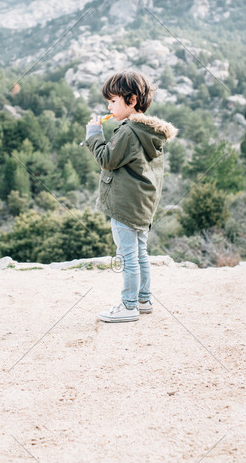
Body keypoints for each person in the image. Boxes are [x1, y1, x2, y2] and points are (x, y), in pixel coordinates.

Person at [82, 70, 178, 323]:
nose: (109, 106)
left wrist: (93, 134)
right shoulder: (148, 132)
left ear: (131, 100)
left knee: (127, 257)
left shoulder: (127, 132)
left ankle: (128, 306)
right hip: (143, 204)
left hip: (125, 205)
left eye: (113, 101)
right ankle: (144, 300)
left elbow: (106, 159)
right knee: (140, 252)